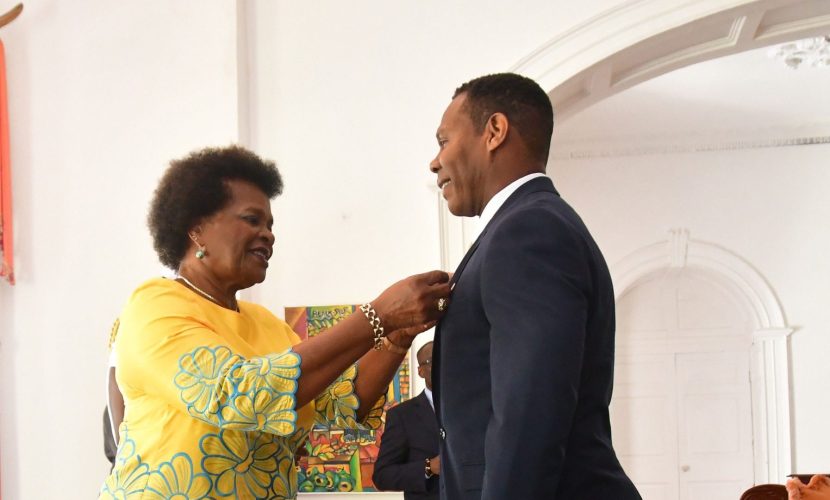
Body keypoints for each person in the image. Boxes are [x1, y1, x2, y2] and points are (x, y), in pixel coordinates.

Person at [99, 145, 451, 499]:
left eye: (270, 225)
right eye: (252, 220)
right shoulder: (154, 306)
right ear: (197, 229)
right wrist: (378, 314)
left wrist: (396, 337)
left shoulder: (264, 324)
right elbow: (240, 394)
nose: (268, 234)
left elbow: (345, 402)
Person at [429, 73, 641, 499]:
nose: (435, 162)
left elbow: (530, 418)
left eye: (443, 141)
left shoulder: (527, 231)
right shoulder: (526, 227)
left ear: (494, 132)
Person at [373, 341, 440, 499]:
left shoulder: (474, 409)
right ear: (420, 371)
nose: (440, 365)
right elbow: (382, 476)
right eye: (431, 361)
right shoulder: (402, 416)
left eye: (445, 359)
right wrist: (429, 467)